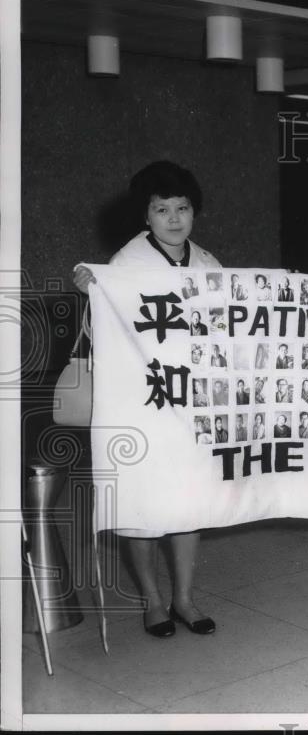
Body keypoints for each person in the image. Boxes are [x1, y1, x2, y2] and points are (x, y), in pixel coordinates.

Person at [72, 160, 217, 637]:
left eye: (183, 208)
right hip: (141, 401)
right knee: (143, 503)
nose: (174, 218)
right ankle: (154, 602)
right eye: (162, 209)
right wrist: (93, 295)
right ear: (146, 216)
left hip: (190, 403)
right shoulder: (125, 265)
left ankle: (184, 599)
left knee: (188, 501)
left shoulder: (208, 263)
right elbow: (102, 334)